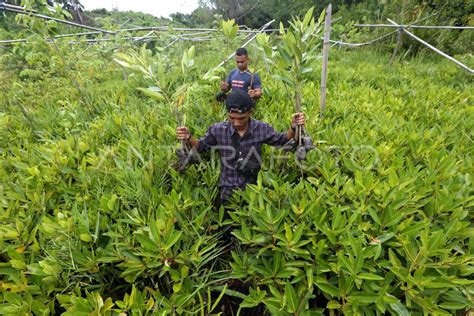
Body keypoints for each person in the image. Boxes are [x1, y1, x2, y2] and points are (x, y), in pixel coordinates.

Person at [176, 91, 305, 205]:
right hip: (227, 188)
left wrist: (293, 127)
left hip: (253, 188)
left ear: (250, 112)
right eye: (232, 118)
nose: (236, 123)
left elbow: (282, 140)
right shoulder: (218, 130)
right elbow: (201, 147)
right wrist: (188, 137)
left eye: (241, 118)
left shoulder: (261, 129)